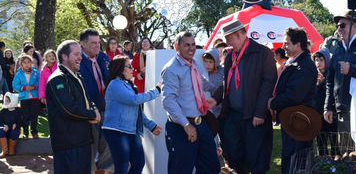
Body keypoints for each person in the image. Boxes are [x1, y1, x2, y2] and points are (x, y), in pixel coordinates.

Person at [207, 20, 277, 174]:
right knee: (234, 154)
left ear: (238, 35)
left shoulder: (262, 53)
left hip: (254, 115)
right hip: (233, 114)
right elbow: (228, 82)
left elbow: (268, 84)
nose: (226, 43)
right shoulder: (232, 55)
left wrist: (259, 113)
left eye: (228, 39)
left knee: (256, 158)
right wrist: (216, 98)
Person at [160, 31, 220, 174]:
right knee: (181, 170)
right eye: (186, 45)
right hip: (182, 128)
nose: (191, 48)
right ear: (177, 47)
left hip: (201, 124)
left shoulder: (194, 64)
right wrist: (186, 125)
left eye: (193, 44)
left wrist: (222, 88)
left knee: (211, 167)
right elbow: (168, 101)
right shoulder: (170, 69)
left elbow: (203, 84)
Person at [45, 40, 101, 174]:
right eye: (76, 54)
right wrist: (93, 115)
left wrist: (95, 110)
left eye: (80, 54)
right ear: (64, 56)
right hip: (68, 145)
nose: (80, 57)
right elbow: (68, 109)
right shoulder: (58, 79)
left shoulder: (77, 76)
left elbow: (88, 100)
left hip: (82, 141)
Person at [268, 27, 317, 174]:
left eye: (286, 44)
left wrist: (272, 103)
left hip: (300, 122)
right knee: (291, 159)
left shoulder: (305, 66)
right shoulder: (297, 63)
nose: (283, 47)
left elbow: (293, 95)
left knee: (297, 163)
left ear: (298, 45)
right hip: (293, 120)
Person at [102, 55, 162, 173]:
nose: (132, 69)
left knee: (138, 163)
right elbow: (134, 100)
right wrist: (156, 91)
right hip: (116, 132)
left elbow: (137, 109)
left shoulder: (129, 85)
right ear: (119, 69)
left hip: (131, 131)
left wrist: (151, 125)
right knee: (122, 167)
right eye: (129, 66)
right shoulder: (114, 84)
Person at [78, 28, 113, 174]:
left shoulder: (103, 57)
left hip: (107, 109)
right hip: (89, 114)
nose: (97, 46)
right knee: (89, 151)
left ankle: (103, 171)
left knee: (110, 148)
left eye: (98, 42)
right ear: (82, 44)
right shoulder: (77, 60)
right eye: (93, 43)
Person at [324, 10, 356, 159]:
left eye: (343, 25)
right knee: (346, 154)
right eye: (337, 26)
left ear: (354, 26)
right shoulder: (337, 50)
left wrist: (352, 70)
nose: (339, 29)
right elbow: (329, 81)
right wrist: (328, 106)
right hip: (343, 109)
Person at [312, 48, 339, 157]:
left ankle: (335, 161)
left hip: (331, 112)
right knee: (320, 140)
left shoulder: (331, 73)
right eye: (316, 60)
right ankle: (322, 160)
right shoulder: (314, 74)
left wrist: (322, 84)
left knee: (334, 140)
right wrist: (317, 85)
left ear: (327, 60)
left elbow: (331, 90)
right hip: (318, 112)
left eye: (321, 60)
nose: (318, 62)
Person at [12, 54, 40, 139]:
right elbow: (15, 85)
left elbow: (41, 82)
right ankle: (25, 132)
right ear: (21, 64)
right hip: (24, 98)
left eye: (28, 62)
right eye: (24, 62)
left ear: (31, 63)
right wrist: (23, 87)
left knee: (34, 115)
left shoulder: (36, 73)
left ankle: (34, 132)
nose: (26, 64)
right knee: (25, 116)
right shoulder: (18, 74)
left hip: (34, 97)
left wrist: (34, 86)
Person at [0, 92, 22, 157]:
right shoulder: (3, 111)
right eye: (5, 100)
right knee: (0, 130)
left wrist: (16, 125)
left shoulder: (18, 111)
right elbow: (0, 121)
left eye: (7, 101)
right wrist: (3, 125)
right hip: (5, 131)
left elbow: (21, 122)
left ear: (12, 101)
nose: (5, 102)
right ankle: (4, 150)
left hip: (14, 130)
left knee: (15, 132)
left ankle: (11, 150)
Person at [38, 49, 58, 114]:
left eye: (53, 55)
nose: (52, 57)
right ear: (45, 58)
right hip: (50, 92)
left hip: (59, 90)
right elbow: (42, 84)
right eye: (49, 56)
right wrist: (42, 96)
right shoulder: (43, 70)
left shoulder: (59, 66)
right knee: (52, 110)